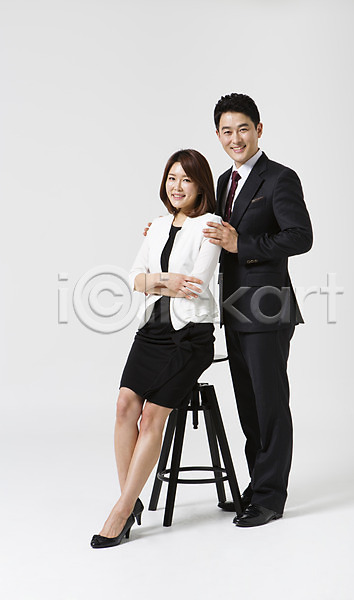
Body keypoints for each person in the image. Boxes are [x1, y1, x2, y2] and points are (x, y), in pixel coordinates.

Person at [90, 149, 222, 548]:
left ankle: (120, 511)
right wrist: (165, 281)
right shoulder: (158, 226)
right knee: (124, 406)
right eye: (172, 178)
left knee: (151, 415)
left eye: (186, 179)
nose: (177, 186)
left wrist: (154, 281)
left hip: (189, 336)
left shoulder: (211, 225)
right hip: (152, 331)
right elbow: (134, 277)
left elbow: (195, 285)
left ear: (200, 185)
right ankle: (130, 502)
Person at [202, 93, 313, 527]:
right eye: (227, 131)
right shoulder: (223, 183)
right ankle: (257, 486)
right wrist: (165, 230)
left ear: (259, 130)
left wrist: (242, 244)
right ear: (218, 135)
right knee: (249, 407)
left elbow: (300, 236)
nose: (236, 138)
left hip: (267, 310)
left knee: (270, 405)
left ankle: (269, 498)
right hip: (234, 309)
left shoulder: (280, 178)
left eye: (243, 129)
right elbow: (209, 231)